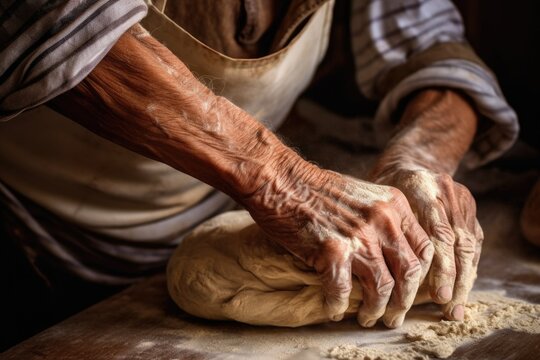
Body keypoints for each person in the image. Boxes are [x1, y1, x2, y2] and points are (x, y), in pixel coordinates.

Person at [0, 0, 518, 343]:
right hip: (33, 234)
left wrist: (414, 163)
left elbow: (432, 51)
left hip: (226, 213)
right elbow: (52, 23)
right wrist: (280, 181)